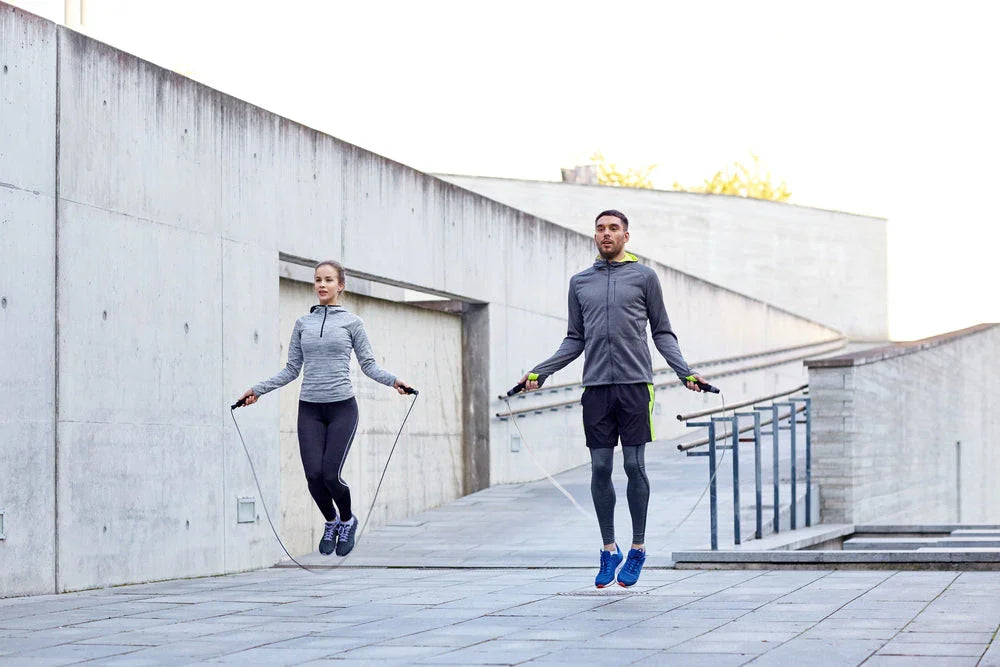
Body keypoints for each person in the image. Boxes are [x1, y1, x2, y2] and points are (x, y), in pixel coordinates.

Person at [516, 210, 708, 588]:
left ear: (626, 236)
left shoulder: (644, 277)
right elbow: (575, 339)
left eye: (613, 229)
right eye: (600, 229)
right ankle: (609, 549)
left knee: (634, 467)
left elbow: (662, 332)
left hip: (636, 385)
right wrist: (541, 371)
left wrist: (684, 371)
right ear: (595, 235)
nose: (606, 234)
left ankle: (637, 548)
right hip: (597, 388)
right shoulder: (580, 282)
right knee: (600, 469)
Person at [236, 260, 412, 557]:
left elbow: (368, 365)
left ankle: (347, 520)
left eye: (329, 280)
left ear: (340, 286)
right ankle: (331, 521)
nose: (322, 285)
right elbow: (292, 369)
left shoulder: (353, 323)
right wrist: (258, 390)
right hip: (310, 410)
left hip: (342, 408)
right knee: (313, 477)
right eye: (318, 280)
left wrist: (394, 381)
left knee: (331, 474)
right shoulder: (302, 324)